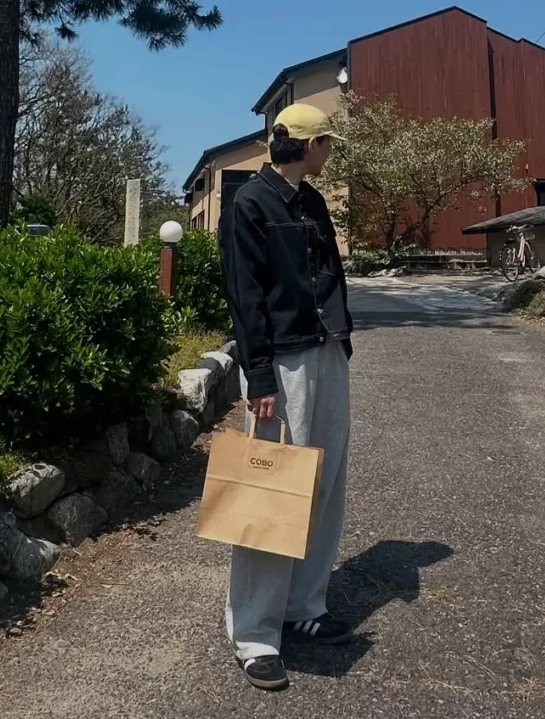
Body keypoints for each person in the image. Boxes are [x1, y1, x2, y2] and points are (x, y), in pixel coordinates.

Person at [218, 101, 354, 691]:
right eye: (327, 142)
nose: (330, 152)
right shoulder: (250, 202)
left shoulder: (313, 201)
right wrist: (261, 378)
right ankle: (254, 634)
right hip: (283, 365)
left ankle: (305, 607)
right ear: (305, 144)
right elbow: (245, 297)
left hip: (326, 352)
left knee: (323, 484)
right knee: (270, 494)